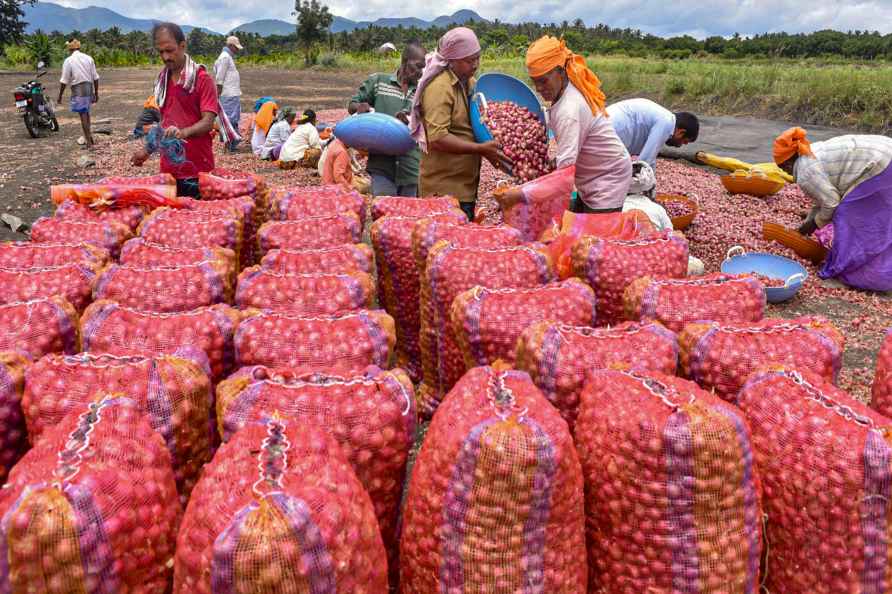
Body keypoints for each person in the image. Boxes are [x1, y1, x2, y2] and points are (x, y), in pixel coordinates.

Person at [499, 36, 631, 214]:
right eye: (534, 81)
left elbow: (564, 179)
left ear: (561, 72)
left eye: (543, 80)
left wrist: (521, 194)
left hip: (608, 177)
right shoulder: (562, 92)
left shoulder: (570, 110)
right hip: (592, 172)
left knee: (596, 234)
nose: (538, 88)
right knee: (580, 224)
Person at [773, 127, 892, 291]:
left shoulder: (804, 171)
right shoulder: (808, 154)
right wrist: (809, 220)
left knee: (848, 216)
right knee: (877, 219)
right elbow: (822, 197)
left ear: (787, 163)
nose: (783, 172)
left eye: (781, 168)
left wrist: (815, 224)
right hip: (885, 153)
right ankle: (878, 272)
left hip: (880, 163)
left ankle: (841, 272)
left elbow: (831, 203)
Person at [409, 27, 504, 219]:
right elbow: (437, 138)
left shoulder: (469, 82)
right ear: (451, 61)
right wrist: (481, 149)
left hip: (464, 187)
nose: (475, 64)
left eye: (477, 58)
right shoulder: (440, 88)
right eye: (469, 60)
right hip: (443, 191)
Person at [130, 22, 219, 198]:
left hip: (197, 168)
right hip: (169, 169)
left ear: (182, 45)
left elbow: (208, 122)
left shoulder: (202, 79)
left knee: (198, 220)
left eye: (170, 50)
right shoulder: (162, 81)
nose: (165, 56)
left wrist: (182, 133)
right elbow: (164, 122)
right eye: (161, 52)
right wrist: (147, 151)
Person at [348, 41, 426, 196]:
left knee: (408, 216)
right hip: (382, 166)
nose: (420, 72)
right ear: (405, 61)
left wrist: (410, 120)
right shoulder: (378, 82)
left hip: (410, 167)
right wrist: (360, 108)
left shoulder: (422, 91)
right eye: (417, 66)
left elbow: (426, 123)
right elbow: (352, 104)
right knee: (384, 213)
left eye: (424, 68)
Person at [607, 98, 699, 171]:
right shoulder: (666, 123)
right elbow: (644, 162)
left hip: (607, 123)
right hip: (614, 128)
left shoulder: (663, 118)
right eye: (684, 141)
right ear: (681, 132)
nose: (680, 145)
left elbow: (651, 159)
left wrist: (652, 184)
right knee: (613, 174)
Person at [58, 39, 99, 149]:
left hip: (78, 88)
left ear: (69, 49)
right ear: (79, 47)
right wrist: (96, 92)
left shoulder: (69, 60)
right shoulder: (88, 58)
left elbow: (64, 80)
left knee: (83, 115)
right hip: (89, 87)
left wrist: (60, 95)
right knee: (86, 112)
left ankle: (89, 143)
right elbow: (95, 77)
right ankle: (90, 138)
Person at [214, 35, 243, 151]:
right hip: (228, 93)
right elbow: (219, 78)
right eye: (236, 47)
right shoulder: (225, 57)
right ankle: (230, 145)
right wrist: (218, 93)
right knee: (230, 119)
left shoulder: (227, 57)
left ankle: (231, 144)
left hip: (231, 93)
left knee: (232, 118)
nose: (237, 50)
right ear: (230, 46)